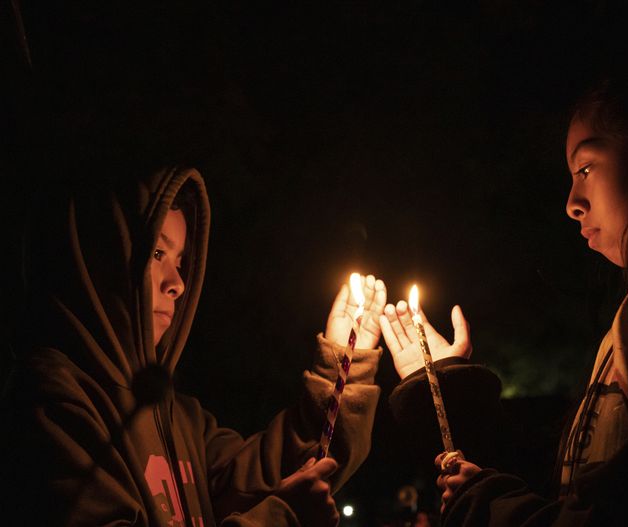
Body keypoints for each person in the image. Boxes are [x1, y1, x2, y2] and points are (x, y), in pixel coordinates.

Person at [381, 75, 628, 525]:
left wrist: (486, 506)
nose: (572, 203)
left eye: (587, 168)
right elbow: (563, 481)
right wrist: (448, 386)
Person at [1, 167, 387, 526]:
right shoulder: (50, 405)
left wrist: (342, 367)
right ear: (102, 261)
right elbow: (281, 505)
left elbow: (282, 473)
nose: (178, 283)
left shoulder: (179, 418)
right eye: (157, 254)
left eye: (181, 259)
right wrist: (281, 518)